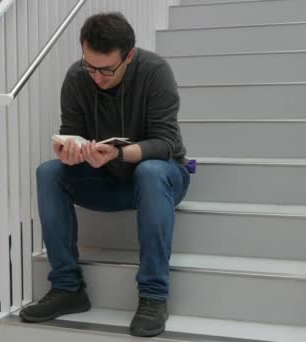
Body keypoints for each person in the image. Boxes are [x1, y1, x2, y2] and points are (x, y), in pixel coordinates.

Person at [19, 12, 190, 338]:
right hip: (105, 177)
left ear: (129, 55)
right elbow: (72, 133)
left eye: (106, 69)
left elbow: (167, 144)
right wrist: (70, 151)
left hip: (161, 179)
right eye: (90, 66)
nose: (96, 76)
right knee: (49, 172)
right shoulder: (76, 77)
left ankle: (153, 295)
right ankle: (68, 288)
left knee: (150, 172)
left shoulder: (155, 72)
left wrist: (120, 153)